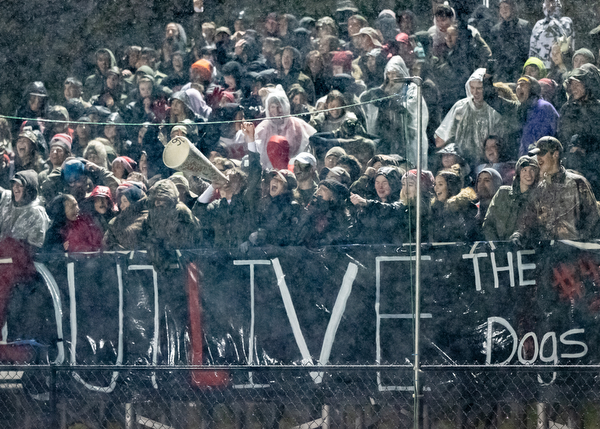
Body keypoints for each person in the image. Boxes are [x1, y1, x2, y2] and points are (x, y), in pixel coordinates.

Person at [512, 137, 598, 243]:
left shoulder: (577, 183)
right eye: (537, 154)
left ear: (555, 154)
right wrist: (518, 234)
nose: (538, 158)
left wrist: (581, 243)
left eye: (542, 153)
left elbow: (593, 219)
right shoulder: (539, 189)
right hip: (547, 254)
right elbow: (528, 220)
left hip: (574, 253)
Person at [361, 56, 429, 168]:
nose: (392, 76)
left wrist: (393, 104)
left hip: (405, 134)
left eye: (395, 73)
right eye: (390, 73)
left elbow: (411, 106)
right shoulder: (383, 89)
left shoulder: (411, 88)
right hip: (385, 133)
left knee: (405, 165)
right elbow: (368, 102)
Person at [435, 68, 502, 168]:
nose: (475, 92)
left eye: (479, 88)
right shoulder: (460, 107)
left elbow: (498, 143)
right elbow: (441, 139)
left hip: (485, 164)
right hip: (460, 164)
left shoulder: (494, 111)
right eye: (472, 87)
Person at [483, 74, 559, 158]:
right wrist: (487, 79)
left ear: (533, 89)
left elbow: (550, 135)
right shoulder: (518, 109)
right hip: (524, 159)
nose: (519, 87)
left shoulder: (544, 107)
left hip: (542, 157)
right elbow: (491, 99)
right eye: (517, 85)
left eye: (523, 84)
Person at [559, 67, 600, 196]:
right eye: (572, 85)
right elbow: (562, 136)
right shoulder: (567, 108)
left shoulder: (597, 109)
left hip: (593, 165)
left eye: (578, 84)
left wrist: (586, 146)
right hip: (571, 163)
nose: (573, 88)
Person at [251, 88, 316, 169]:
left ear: (286, 106)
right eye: (273, 107)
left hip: (296, 168)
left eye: (280, 107)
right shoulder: (262, 128)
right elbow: (257, 152)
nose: (276, 111)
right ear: (268, 108)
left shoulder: (298, 125)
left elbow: (307, 148)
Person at [483, 156, 539, 241]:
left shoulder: (537, 198)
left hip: (523, 249)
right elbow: (488, 223)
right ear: (518, 173)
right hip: (497, 248)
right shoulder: (503, 193)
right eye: (524, 170)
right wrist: (496, 245)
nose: (528, 174)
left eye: (532, 170)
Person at [349, 166, 404, 244]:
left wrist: (367, 203)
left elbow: (388, 209)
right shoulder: (370, 205)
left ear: (393, 184)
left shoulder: (401, 202)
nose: (380, 186)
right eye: (377, 182)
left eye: (384, 182)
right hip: (371, 251)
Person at [294, 179, 351, 246]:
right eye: (318, 188)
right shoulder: (312, 209)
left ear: (333, 196)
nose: (318, 191)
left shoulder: (339, 216)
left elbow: (335, 237)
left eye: (323, 189)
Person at [0, 170, 49, 249]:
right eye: (14, 184)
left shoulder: (37, 213)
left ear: (29, 190)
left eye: (20, 185)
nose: (15, 187)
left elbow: (33, 247)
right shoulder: (8, 201)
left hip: (21, 259)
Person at [430, 167, 478, 242]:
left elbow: (467, 234)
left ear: (450, 186)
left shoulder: (465, 207)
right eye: (435, 184)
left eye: (440, 184)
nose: (436, 188)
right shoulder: (434, 209)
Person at [489, 0, 532, 83]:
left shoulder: (524, 26)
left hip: (519, 70)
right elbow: (494, 53)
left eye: (506, 7)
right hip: (501, 73)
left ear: (513, 8)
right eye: (501, 7)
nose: (503, 10)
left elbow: (527, 50)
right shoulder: (495, 30)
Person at [103, 181, 148, 250]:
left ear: (135, 201)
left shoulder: (148, 219)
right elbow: (106, 246)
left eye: (125, 201)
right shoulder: (115, 222)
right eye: (120, 202)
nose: (121, 206)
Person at [529, 0, 573, 68]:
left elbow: (568, 44)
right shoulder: (538, 25)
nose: (551, 5)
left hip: (560, 66)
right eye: (548, 2)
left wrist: (554, 20)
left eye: (553, 2)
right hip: (542, 67)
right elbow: (532, 50)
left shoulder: (566, 22)